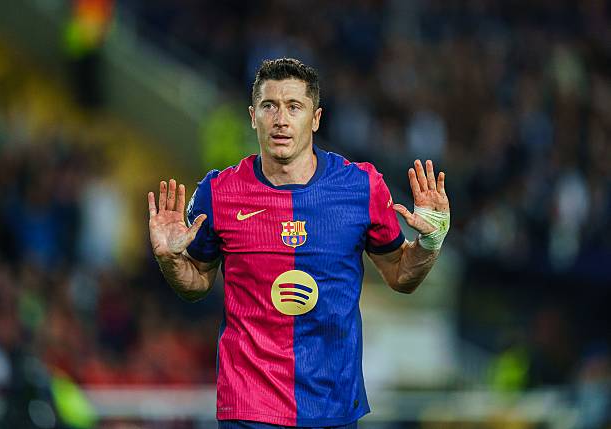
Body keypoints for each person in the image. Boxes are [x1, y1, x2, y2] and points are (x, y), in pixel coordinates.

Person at [147, 58, 450, 428]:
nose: (280, 119)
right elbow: (196, 285)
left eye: (294, 106)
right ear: (252, 116)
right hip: (249, 407)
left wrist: (430, 241)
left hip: (333, 406)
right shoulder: (219, 192)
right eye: (269, 106)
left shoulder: (361, 187)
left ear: (316, 118)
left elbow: (402, 277)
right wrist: (169, 260)